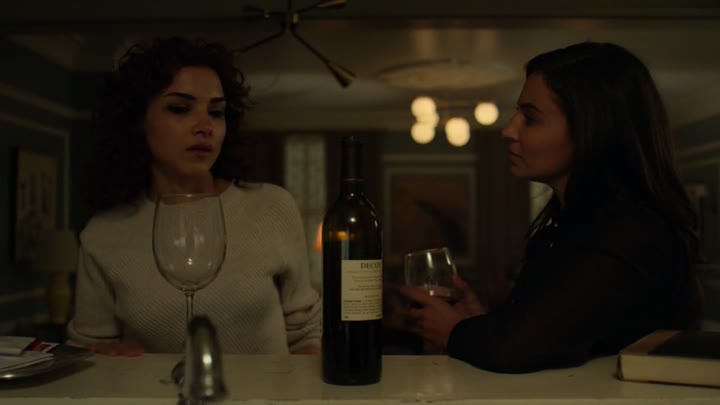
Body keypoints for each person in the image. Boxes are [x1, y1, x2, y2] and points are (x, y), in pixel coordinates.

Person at [401, 41, 704, 373]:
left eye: (530, 118)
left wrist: (455, 332)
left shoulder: (628, 230)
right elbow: (558, 335)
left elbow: (518, 349)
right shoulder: (576, 225)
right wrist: (480, 321)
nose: (509, 130)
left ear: (591, 130)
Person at [67, 37, 322, 356]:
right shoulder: (104, 234)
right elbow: (88, 348)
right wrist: (104, 359)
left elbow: (306, 331)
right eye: (180, 108)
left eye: (216, 112)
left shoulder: (271, 207)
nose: (205, 127)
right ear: (137, 120)